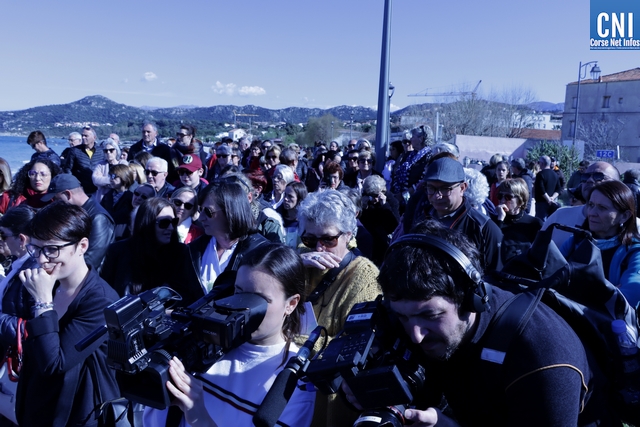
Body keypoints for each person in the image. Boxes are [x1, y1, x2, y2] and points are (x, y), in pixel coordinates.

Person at [359, 219, 612, 426]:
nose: (416, 335)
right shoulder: (421, 320)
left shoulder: (542, 356)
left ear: (472, 299)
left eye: (430, 316)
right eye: (403, 317)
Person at [143, 244, 316, 427]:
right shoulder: (205, 342)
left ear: (291, 304)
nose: (245, 307)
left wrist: (200, 418)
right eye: (239, 292)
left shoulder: (295, 382)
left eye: (260, 299)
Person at [17, 202, 121, 426]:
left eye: (52, 249)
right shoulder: (49, 282)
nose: (42, 259)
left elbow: (54, 363)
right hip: (37, 406)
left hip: (74, 414)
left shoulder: (101, 300)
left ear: (82, 246)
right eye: (36, 248)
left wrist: (43, 302)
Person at [296, 189, 381, 427]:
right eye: (310, 240)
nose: (319, 248)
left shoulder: (365, 277)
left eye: (328, 240)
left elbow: (352, 349)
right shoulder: (301, 259)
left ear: (348, 235)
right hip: (292, 392)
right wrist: (292, 264)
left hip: (328, 401)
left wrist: (290, 340)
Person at [560, 180, 640, 309]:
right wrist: (607, 292)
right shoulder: (574, 242)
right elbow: (549, 278)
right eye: (591, 205)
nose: (592, 213)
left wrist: (574, 289)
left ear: (624, 216)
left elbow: (628, 299)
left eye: (602, 208)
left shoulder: (634, 252)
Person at [416, 156, 503, 271]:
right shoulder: (422, 219)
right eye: (431, 188)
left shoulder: (484, 228)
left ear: (462, 188)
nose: (437, 196)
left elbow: (495, 275)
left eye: (445, 189)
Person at [101, 197, 195, 302]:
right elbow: (105, 293)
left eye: (174, 222)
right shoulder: (117, 251)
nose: (171, 228)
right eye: (164, 223)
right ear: (147, 223)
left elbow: (185, 294)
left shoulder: (181, 253)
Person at [187, 181, 269, 297]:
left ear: (230, 212)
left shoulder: (261, 252)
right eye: (201, 210)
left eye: (208, 211)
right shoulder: (194, 249)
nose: (201, 218)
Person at [42, 174, 115, 271]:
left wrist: (59, 272)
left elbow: (92, 259)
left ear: (68, 194)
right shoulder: (76, 212)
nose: (55, 203)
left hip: (88, 277)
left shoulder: (98, 218)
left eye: (57, 199)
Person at [543, 161, 621, 247]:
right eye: (585, 176)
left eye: (598, 176)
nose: (589, 180)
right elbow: (535, 252)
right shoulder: (560, 216)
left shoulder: (629, 227)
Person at [492, 178, 543, 263]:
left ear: (520, 201)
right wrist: (500, 220)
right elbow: (492, 246)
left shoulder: (534, 224)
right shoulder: (494, 221)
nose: (503, 200)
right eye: (500, 196)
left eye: (508, 197)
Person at [360, 175, 399, 265]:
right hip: (367, 240)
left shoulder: (392, 201)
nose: (375, 199)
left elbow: (394, 225)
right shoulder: (364, 199)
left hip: (383, 242)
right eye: (372, 196)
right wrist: (363, 208)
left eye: (376, 195)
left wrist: (384, 206)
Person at [391, 125, 433, 203]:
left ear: (421, 139)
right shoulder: (408, 155)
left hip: (418, 199)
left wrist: (404, 195)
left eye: (413, 137)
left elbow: (424, 181)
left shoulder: (429, 157)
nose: (411, 139)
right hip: (401, 199)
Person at [61, 126, 105, 195]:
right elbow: (68, 169)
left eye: (86, 136)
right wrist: (74, 184)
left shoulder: (101, 151)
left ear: (94, 137)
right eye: (82, 135)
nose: (83, 138)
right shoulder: (74, 150)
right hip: (80, 189)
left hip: (98, 190)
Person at [100, 164, 136, 240]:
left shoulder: (132, 197)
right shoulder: (107, 195)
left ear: (124, 177)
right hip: (106, 234)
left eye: (113, 176)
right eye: (110, 176)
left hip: (123, 236)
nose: (110, 179)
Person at [277, 181, 308, 248]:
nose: (285, 198)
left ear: (299, 199)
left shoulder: (306, 221)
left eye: (290, 196)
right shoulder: (277, 216)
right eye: (285, 194)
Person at [534, 155, 561, 221]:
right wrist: (552, 198)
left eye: (539, 162)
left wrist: (548, 199)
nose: (539, 164)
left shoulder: (540, 174)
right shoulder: (555, 174)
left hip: (541, 203)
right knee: (550, 221)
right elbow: (558, 189)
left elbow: (541, 189)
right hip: (552, 203)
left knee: (541, 222)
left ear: (542, 163)